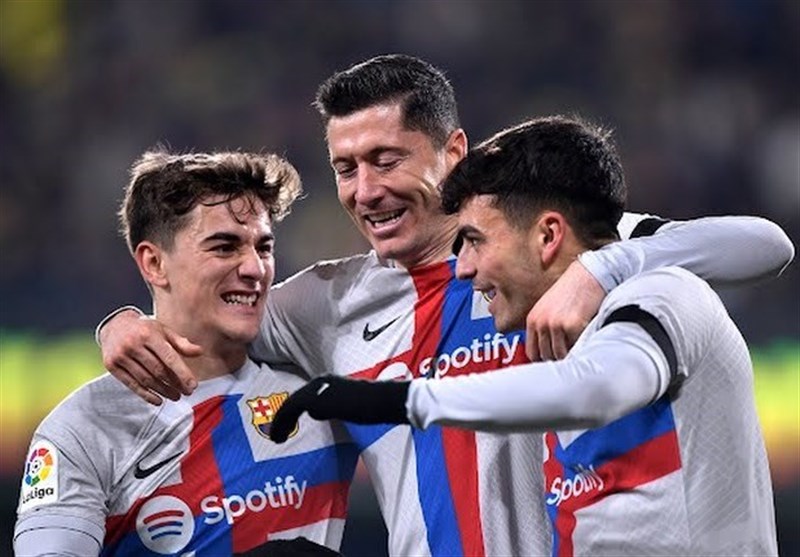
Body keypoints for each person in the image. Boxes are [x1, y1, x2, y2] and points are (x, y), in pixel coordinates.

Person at [97, 55, 794, 556]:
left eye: (387, 159)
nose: (366, 190)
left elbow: (764, 244)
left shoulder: (546, 251)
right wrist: (124, 323)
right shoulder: (323, 305)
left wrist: (600, 269)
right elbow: (202, 312)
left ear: (453, 151)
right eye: (345, 168)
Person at [268, 116, 781, 556]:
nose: (463, 269)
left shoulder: (661, 293)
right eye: (345, 168)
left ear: (548, 236)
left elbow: (596, 389)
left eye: (474, 241)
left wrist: (397, 399)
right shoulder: (564, 343)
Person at [14, 150, 357, 556]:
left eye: (264, 248)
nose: (255, 268)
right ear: (154, 263)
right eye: (225, 247)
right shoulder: (86, 425)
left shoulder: (321, 379)